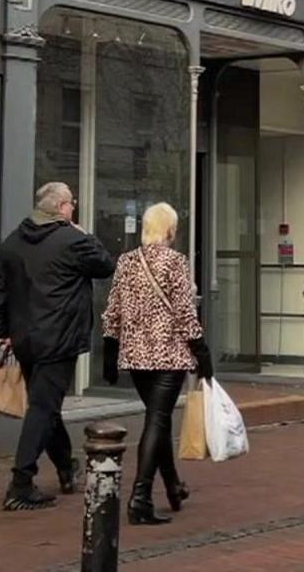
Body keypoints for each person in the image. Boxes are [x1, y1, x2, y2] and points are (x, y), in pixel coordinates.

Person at [0, 181, 116, 512]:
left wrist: (2, 332)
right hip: (59, 338)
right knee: (43, 408)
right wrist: (84, 232)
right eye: (71, 203)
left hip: (25, 340)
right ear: (61, 208)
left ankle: (65, 467)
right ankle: (20, 482)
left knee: (46, 403)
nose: (73, 207)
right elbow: (105, 264)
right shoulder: (72, 239)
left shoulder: (12, 242)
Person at [101, 202, 211, 525]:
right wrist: (201, 352)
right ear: (171, 230)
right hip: (168, 356)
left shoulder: (126, 261)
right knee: (158, 420)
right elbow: (184, 312)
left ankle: (173, 486)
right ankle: (140, 497)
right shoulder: (175, 262)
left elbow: (113, 310)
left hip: (135, 357)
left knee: (156, 420)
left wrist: (110, 350)